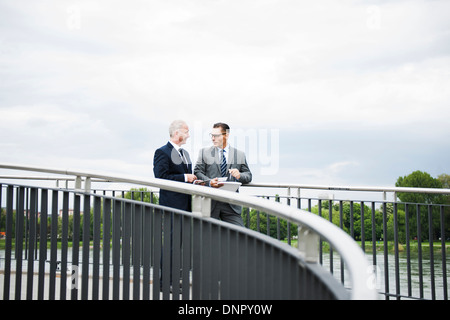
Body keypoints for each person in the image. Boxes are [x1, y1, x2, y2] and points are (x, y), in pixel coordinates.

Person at [194, 122, 252, 227]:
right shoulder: (204, 152)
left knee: (239, 235)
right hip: (210, 202)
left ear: (226, 135)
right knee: (207, 237)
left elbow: (248, 175)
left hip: (231, 204)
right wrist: (209, 182)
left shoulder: (239, 154)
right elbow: (197, 172)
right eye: (212, 135)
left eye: (216, 135)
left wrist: (239, 175)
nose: (213, 138)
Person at [153, 120, 197, 212]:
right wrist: (185, 177)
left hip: (187, 206)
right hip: (171, 207)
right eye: (186, 132)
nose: (188, 135)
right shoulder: (162, 152)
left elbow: (187, 176)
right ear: (176, 133)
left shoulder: (186, 153)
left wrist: (195, 181)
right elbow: (161, 177)